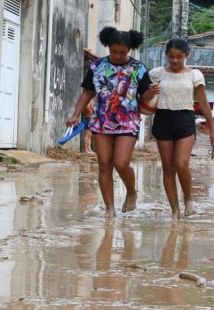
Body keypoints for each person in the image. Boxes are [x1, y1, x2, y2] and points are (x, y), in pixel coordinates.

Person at [66, 27, 157, 218]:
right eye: (113, 51)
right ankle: (110, 208)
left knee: (121, 162)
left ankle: (131, 192)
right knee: (105, 164)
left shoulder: (138, 68)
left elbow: (145, 96)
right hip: (101, 121)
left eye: (122, 52)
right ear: (108, 47)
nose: (117, 55)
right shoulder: (96, 66)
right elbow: (87, 92)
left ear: (129, 49)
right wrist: (75, 114)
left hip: (128, 121)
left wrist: (152, 92)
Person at [148, 39, 214, 219]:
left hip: (185, 119)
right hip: (163, 119)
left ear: (187, 55)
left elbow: (203, 103)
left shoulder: (195, 75)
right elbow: (144, 96)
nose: (175, 60)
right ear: (166, 55)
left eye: (179, 57)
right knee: (168, 168)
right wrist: (149, 92)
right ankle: (174, 210)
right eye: (171, 56)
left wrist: (212, 131)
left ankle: (188, 199)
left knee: (180, 163)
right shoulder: (157, 74)